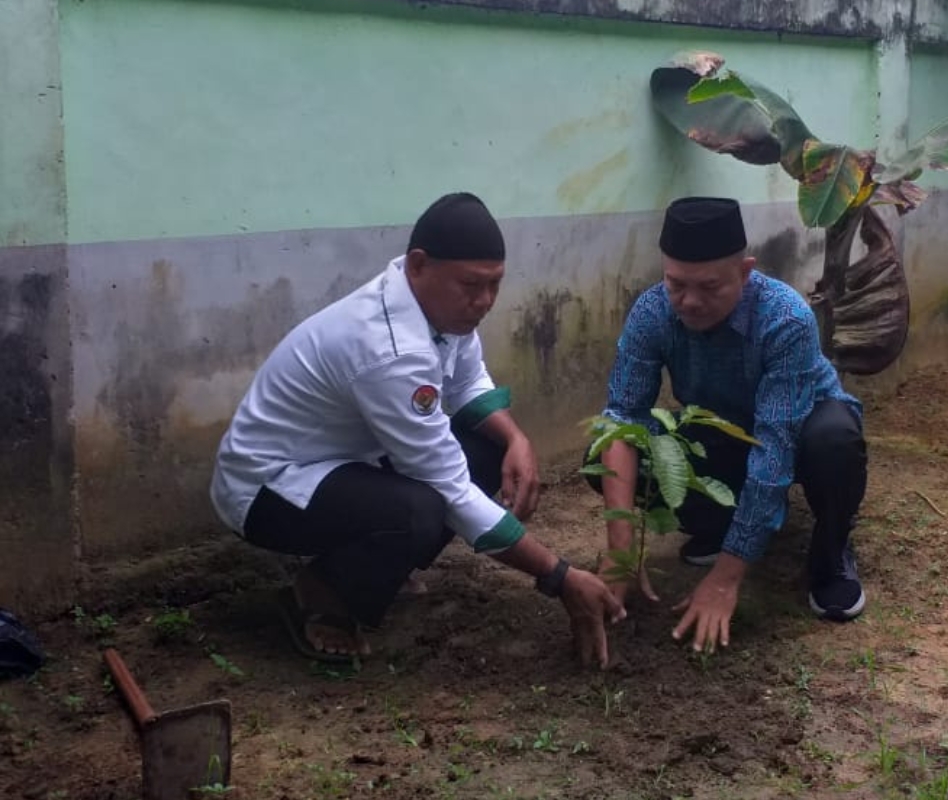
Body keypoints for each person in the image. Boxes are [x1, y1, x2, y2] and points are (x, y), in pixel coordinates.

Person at [210, 192, 625, 667]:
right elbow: (447, 487)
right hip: (267, 489)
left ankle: (374, 568)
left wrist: (517, 439)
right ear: (419, 264)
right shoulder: (390, 348)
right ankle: (323, 594)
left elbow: (468, 379)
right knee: (420, 509)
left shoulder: (436, 306)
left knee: (487, 452)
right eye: (471, 285)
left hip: (343, 461)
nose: (484, 301)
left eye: (494, 285)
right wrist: (560, 577)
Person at [587, 196, 867, 654]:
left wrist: (725, 579)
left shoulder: (786, 318)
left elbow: (776, 446)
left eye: (709, 287)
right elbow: (622, 418)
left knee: (834, 439)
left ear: (745, 271)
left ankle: (831, 554)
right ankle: (720, 525)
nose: (689, 302)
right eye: (676, 284)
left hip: (801, 431)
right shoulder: (652, 312)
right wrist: (619, 549)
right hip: (722, 431)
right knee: (608, 453)